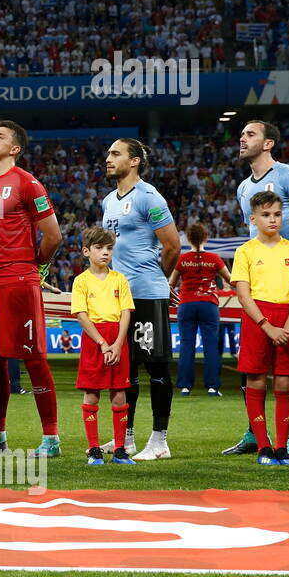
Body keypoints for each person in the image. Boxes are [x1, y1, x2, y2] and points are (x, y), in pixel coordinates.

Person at [224, 121, 289, 460]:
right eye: (242, 134)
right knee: (252, 365)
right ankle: (256, 433)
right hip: (260, 290)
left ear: (268, 143)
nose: (242, 138)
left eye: (250, 134)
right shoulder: (241, 189)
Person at [0, 122, 63, 457]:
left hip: (19, 281)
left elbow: (53, 236)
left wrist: (32, 267)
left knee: (33, 358)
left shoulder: (28, 184)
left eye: (0, 137)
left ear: (15, 148)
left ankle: (51, 437)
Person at [99, 138, 180, 461]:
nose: (108, 158)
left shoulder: (149, 197)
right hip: (119, 298)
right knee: (124, 370)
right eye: (109, 152)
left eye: (115, 153)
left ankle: (160, 441)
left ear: (134, 161)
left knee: (156, 368)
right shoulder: (108, 200)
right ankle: (127, 438)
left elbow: (172, 245)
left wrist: (158, 278)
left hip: (147, 294)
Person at [233, 191, 289, 466]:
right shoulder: (245, 252)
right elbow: (244, 296)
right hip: (258, 321)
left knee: (285, 382)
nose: (272, 219)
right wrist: (268, 327)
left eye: (277, 214)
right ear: (253, 219)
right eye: (266, 215)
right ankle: (263, 447)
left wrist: (287, 328)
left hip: (288, 319)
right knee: (255, 380)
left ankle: (281, 447)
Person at [71, 226, 136, 466]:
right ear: (86, 251)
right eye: (99, 248)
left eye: (109, 248)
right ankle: (93, 449)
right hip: (95, 340)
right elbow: (81, 315)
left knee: (119, 394)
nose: (105, 253)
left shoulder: (119, 279)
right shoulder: (81, 281)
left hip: (117, 339)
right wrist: (102, 343)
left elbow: (126, 312)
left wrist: (118, 344)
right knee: (92, 394)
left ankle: (120, 449)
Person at [169, 223, 230, 397]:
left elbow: (171, 284)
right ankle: (212, 387)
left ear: (188, 239)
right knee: (210, 345)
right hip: (208, 304)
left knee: (187, 345)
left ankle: (185, 386)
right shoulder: (214, 258)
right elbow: (231, 279)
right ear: (206, 238)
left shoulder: (182, 259)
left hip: (186, 304)